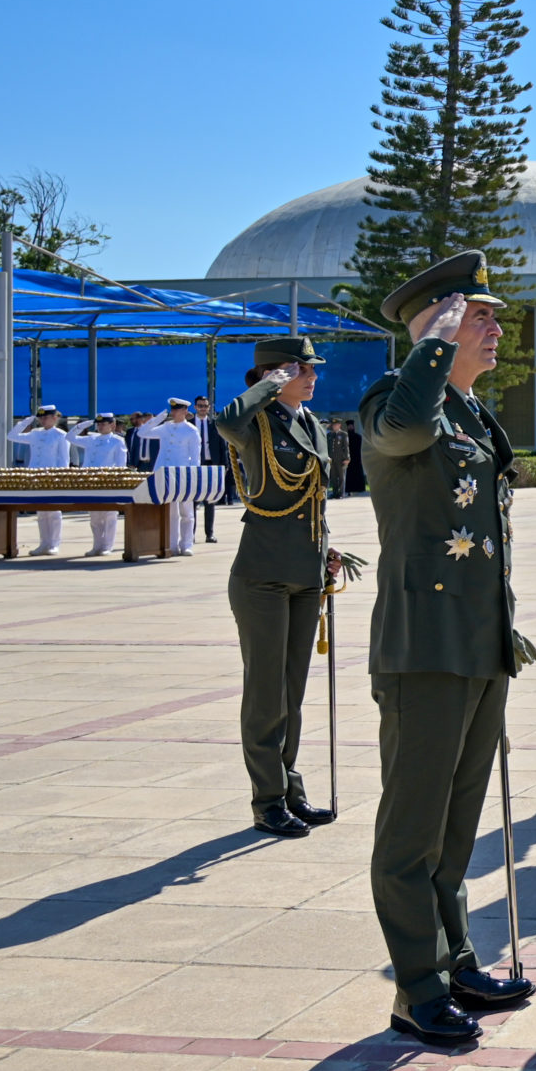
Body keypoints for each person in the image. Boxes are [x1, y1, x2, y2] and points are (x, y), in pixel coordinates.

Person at [361, 251, 536, 1045]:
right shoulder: (394, 405)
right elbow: (404, 430)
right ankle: (415, 986)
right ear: (437, 327)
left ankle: (455, 956)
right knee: (413, 831)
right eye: (481, 317)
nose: (497, 329)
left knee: (456, 827)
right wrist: (430, 348)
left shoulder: (471, 415)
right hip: (423, 649)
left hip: (477, 645)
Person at [217, 339, 339, 837]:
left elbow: (315, 498)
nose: (311, 377)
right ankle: (267, 801)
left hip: (305, 573)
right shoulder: (258, 422)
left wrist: (326, 551)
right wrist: (267, 385)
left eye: (311, 369)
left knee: (292, 693)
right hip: (262, 576)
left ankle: (290, 788)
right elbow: (225, 423)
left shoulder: (311, 424)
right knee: (266, 696)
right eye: (301, 369)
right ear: (276, 373)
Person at [138, 399, 204, 554]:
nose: (173, 413)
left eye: (176, 410)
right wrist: (158, 418)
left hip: (182, 474)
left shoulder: (191, 430)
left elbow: (195, 457)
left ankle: (187, 544)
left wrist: (194, 477)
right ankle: (172, 545)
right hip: (165, 474)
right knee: (170, 512)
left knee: (186, 512)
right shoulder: (165, 427)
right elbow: (142, 433)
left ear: (184, 411)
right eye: (172, 410)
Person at [8, 406, 75, 555]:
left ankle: (54, 544)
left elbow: (64, 459)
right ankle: (43, 543)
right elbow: (11, 436)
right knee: (41, 512)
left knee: (54, 511)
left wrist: (60, 478)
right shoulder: (34, 434)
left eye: (46, 417)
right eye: (41, 417)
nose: (43, 420)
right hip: (36, 476)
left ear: (55, 418)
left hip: (52, 476)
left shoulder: (61, 435)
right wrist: (26, 422)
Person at [72, 414, 131, 554]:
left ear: (112, 425)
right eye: (98, 424)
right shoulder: (91, 439)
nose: (100, 426)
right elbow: (70, 437)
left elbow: (121, 464)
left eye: (104, 424)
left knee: (109, 515)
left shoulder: (117, 441)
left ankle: (107, 546)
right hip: (91, 481)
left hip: (108, 481)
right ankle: (97, 545)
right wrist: (83, 424)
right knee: (94, 516)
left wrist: (118, 482)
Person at [195, 394, 228, 543]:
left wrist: (225, 466)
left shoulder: (215, 424)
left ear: (209, 408)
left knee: (210, 501)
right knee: (193, 501)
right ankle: (191, 534)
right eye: (200, 406)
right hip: (194, 466)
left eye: (205, 406)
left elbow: (223, 446)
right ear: (195, 407)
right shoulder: (190, 424)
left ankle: (209, 533)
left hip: (211, 465)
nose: (203, 409)